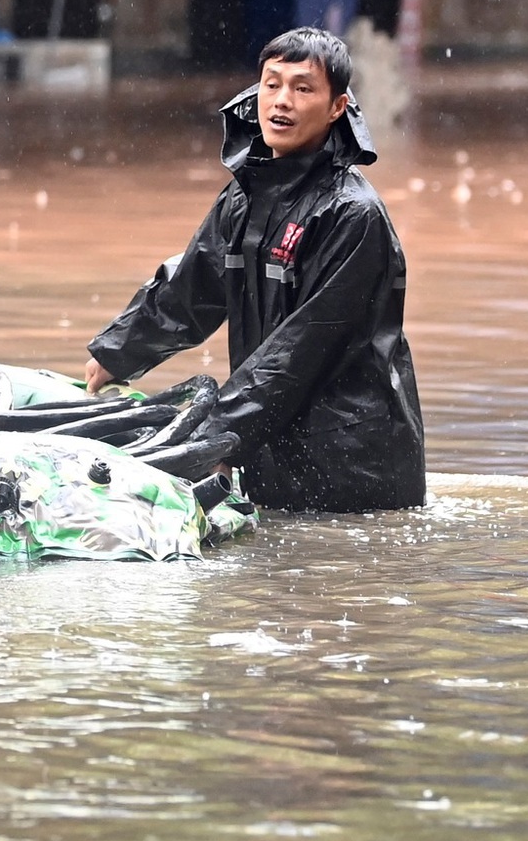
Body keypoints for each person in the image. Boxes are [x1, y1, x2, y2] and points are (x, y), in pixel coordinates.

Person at [79, 27, 425, 512]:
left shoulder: (353, 216)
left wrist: (216, 438)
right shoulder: (246, 195)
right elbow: (193, 287)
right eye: (272, 83)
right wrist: (119, 352)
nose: (281, 101)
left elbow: (299, 351)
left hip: (353, 469)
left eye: (303, 88)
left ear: (336, 107)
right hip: (273, 453)